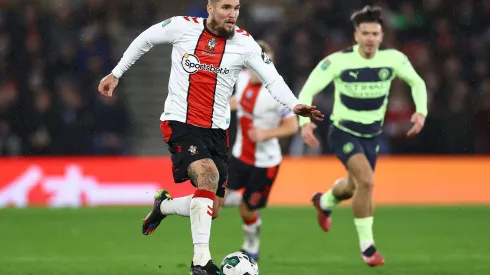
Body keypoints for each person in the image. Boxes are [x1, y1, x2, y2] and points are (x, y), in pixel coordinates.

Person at [97, 0, 323, 274]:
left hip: (216, 131)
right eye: (226, 7)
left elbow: (271, 79)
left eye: (237, 8)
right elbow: (146, 38)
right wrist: (116, 73)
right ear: (210, 8)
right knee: (209, 177)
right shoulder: (182, 27)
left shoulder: (245, 43)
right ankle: (201, 263)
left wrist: (294, 105)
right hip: (180, 121)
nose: (232, 14)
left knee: (212, 207)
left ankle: (164, 206)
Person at [297, 5, 427, 267]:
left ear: (382, 36)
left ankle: (325, 202)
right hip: (343, 130)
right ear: (356, 36)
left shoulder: (394, 59)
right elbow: (308, 90)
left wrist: (420, 112)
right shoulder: (338, 61)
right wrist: (304, 122)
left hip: (372, 135)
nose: (370, 38)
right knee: (366, 182)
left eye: (375, 33)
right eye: (365, 33)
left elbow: (417, 82)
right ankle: (367, 248)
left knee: (354, 186)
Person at [223, 41, 299, 261]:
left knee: (247, 212)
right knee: (217, 201)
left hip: (265, 162)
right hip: (239, 156)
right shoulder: (243, 77)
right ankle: (248, 200)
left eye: (266, 62)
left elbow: (292, 126)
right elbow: (240, 101)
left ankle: (251, 242)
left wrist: (265, 134)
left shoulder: (279, 91)